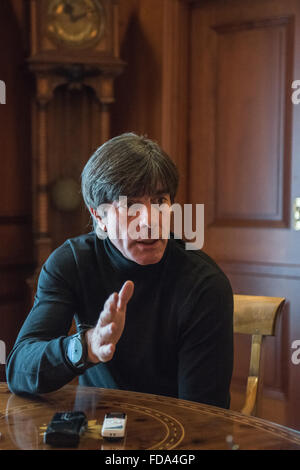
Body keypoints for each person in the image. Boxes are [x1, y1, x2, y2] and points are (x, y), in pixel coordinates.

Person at [6, 133, 233, 409]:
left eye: (160, 201)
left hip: (175, 437)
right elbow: (19, 370)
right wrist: (87, 346)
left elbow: (204, 416)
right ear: (99, 217)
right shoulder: (72, 263)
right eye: (130, 206)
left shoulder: (204, 284)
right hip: (95, 427)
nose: (150, 221)